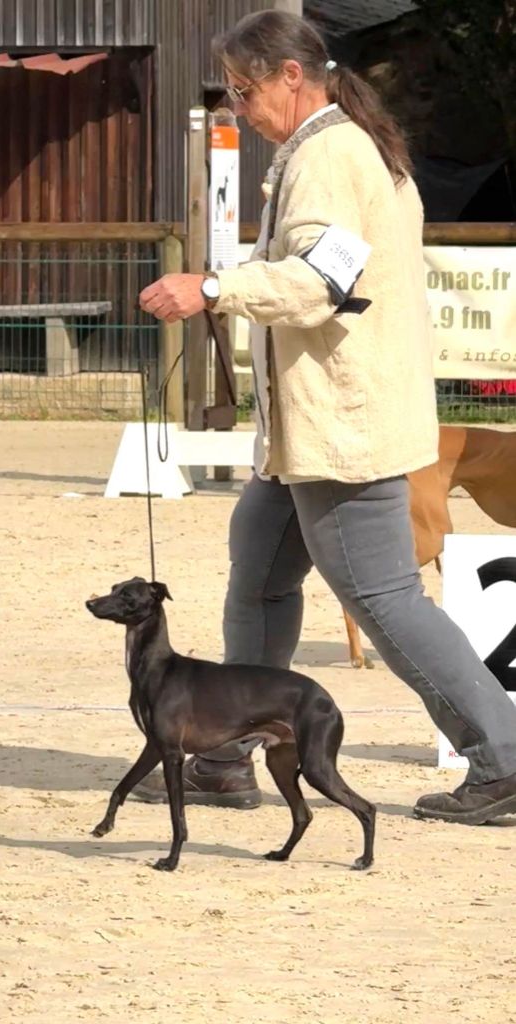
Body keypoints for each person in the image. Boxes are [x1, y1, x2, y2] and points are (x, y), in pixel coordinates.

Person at [136, 9, 516, 824]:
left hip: (343, 428)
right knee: (261, 575)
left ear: (289, 76)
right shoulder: (334, 147)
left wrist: (210, 287)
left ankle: (503, 757)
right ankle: (228, 752)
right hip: (313, 429)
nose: (239, 105)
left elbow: (318, 282)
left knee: (386, 601)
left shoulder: (330, 157)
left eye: (244, 89)